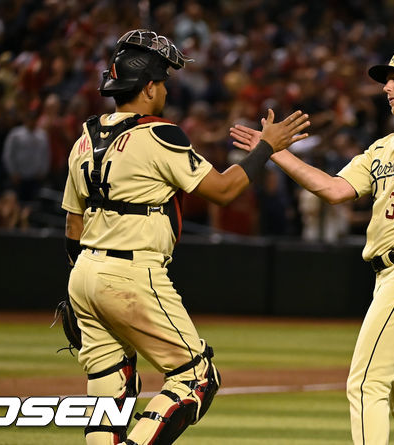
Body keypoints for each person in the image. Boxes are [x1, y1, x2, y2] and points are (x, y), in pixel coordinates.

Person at [231, 49, 394, 444]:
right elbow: (335, 189)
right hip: (393, 275)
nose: (386, 86)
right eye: (385, 79)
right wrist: (274, 153)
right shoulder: (383, 147)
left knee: (367, 382)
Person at [61, 29, 309, 445]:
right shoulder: (160, 134)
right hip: (130, 274)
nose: (165, 89)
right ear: (147, 87)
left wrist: (78, 290)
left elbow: (72, 228)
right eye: (162, 82)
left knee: (109, 389)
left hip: (83, 274)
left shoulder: (84, 138)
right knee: (195, 377)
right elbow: (225, 190)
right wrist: (266, 147)